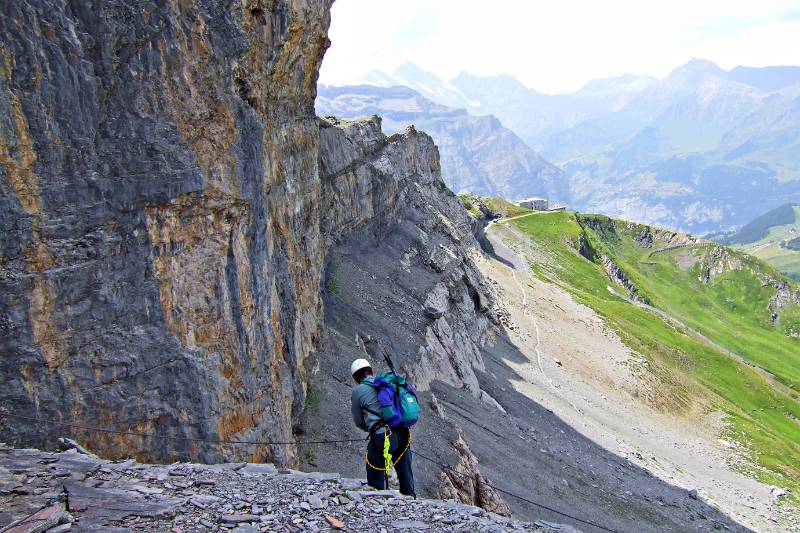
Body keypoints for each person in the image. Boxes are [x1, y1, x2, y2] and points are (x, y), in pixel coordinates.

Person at [350, 358, 415, 496]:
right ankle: (410, 497)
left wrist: (372, 428)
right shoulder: (386, 382)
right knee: (404, 467)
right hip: (402, 432)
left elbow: (358, 421)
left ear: (356, 377)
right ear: (370, 370)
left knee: (374, 464)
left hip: (382, 435)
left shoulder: (358, 391)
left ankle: (377, 496)